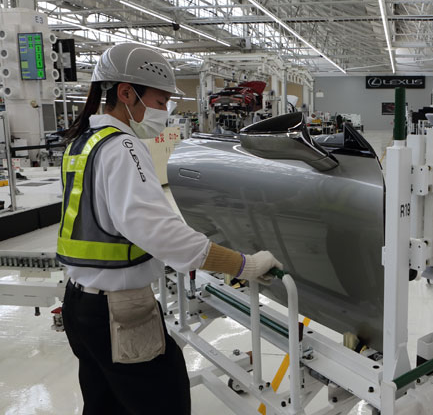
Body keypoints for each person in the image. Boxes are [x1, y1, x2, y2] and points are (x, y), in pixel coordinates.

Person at [57, 42, 282, 415]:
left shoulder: (82, 143)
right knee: (166, 401)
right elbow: (161, 233)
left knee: (105, 405)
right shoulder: (122, 147)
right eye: (160, 101)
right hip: (118, 312)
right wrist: (245, 265)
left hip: (79, 304)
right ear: (126, 93)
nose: (165, 111)